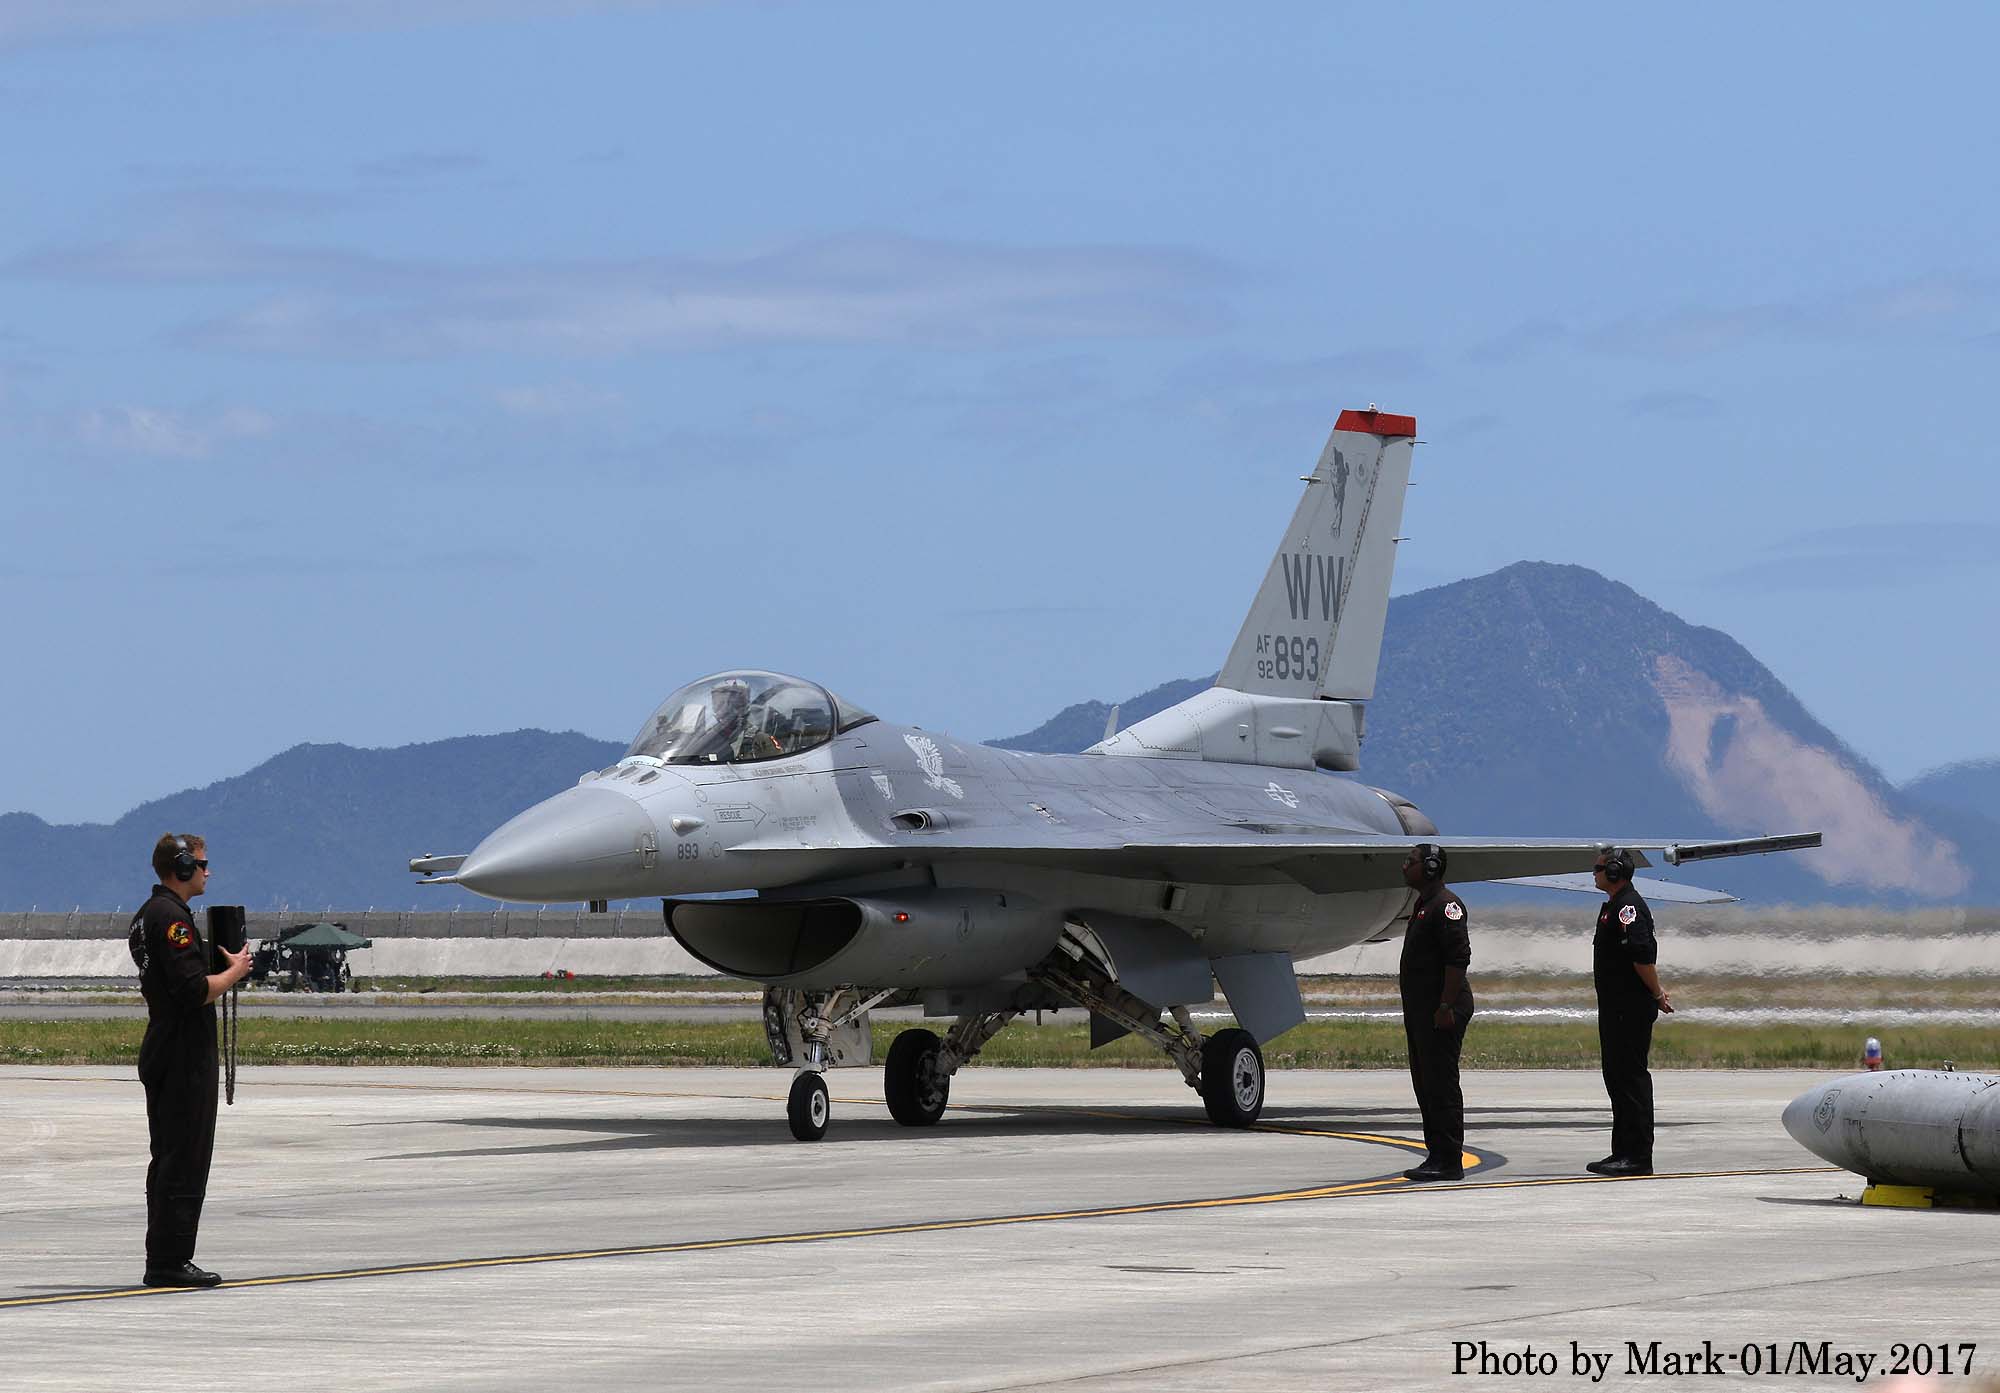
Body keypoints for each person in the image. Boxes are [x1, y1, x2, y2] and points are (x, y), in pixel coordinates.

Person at [127, 833, 252, 1288]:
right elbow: (193, 990)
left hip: (165, 1043)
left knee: (168, 1157)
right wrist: (234, 972)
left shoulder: (148, 914)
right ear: (181, 867)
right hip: (184, 1051)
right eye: (201, 864)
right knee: (186, 1157)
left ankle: (164, 1254)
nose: (207, 871)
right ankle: (170, 1259)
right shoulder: (172, 918)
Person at [1586, 847, 1673, 1177]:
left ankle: (1637, 1157)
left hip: (1629, 1009)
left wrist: (1657, 993)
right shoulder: (1614, 906)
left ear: (1614, 872)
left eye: (1598, 869)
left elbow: (1642, 958)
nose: (1593, 874)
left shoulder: (1629, 908)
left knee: (1631, 1079)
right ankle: (1622, 1151)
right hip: (1615, 1008)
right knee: (1616, 1078)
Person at [1398, 843, 1475, 1181]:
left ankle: (1449, 1159)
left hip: (1442, 1011)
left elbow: (1457, 960)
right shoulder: (1424, 905)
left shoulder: (1447, 906)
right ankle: (1437, 1155)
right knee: (1426, 1083)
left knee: (1441, 1084)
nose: (1404, 866)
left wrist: (1445, 1005)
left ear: (1430, 867)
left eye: (1411, 861)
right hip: (1423, 1011)